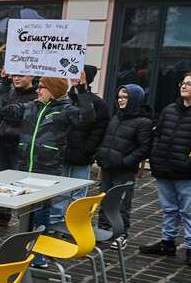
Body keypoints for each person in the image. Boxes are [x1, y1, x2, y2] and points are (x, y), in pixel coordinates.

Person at [0, 75, 94, 267]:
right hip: (24, 168)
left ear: (53, 91)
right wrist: (4, 83)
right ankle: (23, 250)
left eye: (42, 87)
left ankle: (38, 252)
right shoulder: (31, 106)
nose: (37, 90)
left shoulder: (65, 109)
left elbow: (86, 119)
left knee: (41, 212)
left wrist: (82, 90)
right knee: (25, 212)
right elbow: (2, 109)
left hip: (47, 170)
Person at [138, 73, 191, 266]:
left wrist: (187, 161)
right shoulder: (170, 109)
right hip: (163, 168)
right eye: (183, 83)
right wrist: (155, 155)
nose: (184, 86)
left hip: (186, 173)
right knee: (169, 209)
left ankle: (190, 249)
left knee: (188, 212)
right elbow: (158, 135)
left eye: (189, 84)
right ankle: (167, 243)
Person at [50, 65, 110, 225]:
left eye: (79, 76)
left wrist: (87, 149)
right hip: (61, 152)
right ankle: (55, 220)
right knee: (58, 190)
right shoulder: (63, 99)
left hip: (82, 155)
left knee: (79, 191)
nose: (75, 79)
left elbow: (99, 130)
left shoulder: (98, 103)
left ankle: (75, 222)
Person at [94, 84, 152, 247]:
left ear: (134, 99)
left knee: (122, 203)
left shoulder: (143, 122)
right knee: (104, 200)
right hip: (107, 167)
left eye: (125, 97)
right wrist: (101, 154)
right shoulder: (116, 117)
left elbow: (144, 148)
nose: (121, 100)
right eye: (119, 97)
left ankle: (121, 233)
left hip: (124, 171)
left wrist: (125, 162)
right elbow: (106, 139)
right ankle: (103, 228)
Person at [0, 71, 39, 228]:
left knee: (21, 184)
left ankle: (26, 220)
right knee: (1, 182)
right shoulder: (11, 92)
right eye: (14, 75)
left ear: (31, 77)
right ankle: (1, 214)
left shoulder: (37, 96)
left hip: (21, 145)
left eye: (21, 75)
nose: (16, 78)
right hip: (4, 143)